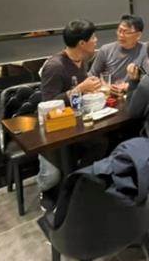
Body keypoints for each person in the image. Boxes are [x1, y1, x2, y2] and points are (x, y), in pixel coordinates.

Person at [38, 19, 102, 206]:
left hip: (76, 124)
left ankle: (78, 185)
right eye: (93, 37)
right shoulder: (55, 66)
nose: (96, 40)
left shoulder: (82, 60)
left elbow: (80, 91)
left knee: (102, 142)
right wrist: (80, 89)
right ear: (82, 43)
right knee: (52, 177)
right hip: (55, 130)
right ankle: (49, 192)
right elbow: (48, 104)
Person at [89, 14, 149, 95]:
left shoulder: (146, 50)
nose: (121, 35)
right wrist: (104, 85)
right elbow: (91, 75)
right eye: (119, 31)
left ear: (138, 35)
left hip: (133, 94)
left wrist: (128, 86)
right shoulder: (106, 50)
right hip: (109, 95)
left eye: (126, 32)